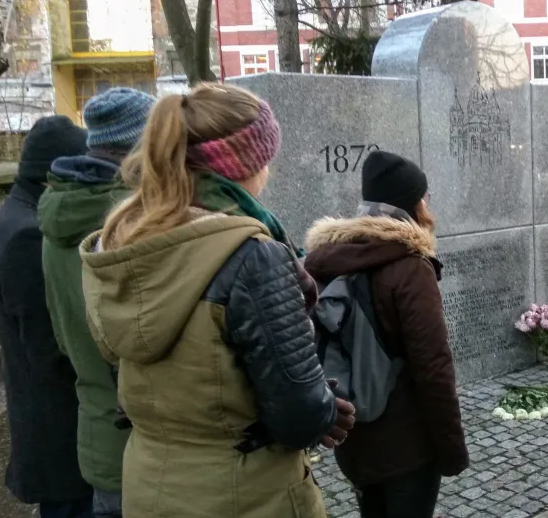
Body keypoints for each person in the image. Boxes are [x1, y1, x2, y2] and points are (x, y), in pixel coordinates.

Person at [79, 84, 354, 518]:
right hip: (244, 494)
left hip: (151, 483)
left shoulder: (121, 240)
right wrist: (323, 408)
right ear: (247, 163)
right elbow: (297, 416)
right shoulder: (250, 255)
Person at [303, 151, 468, 518]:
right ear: (414, 202)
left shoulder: (328, 259)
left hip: (355, 441)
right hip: (407, 449)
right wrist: (452, 450)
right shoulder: (410, 266)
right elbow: (433, 368)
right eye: (425, 195)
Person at [38, 87, 156, 518]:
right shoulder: (132, 224)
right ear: (141, 148)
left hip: (97, 442)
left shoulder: (54, 220)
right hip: (148, 446)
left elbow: (65, 339)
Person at [0, 115, 93, 517]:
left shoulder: (17, 218)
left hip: (57, 428)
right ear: (57, 172)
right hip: (61, 434)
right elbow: (50, 346)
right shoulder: (26, 236)